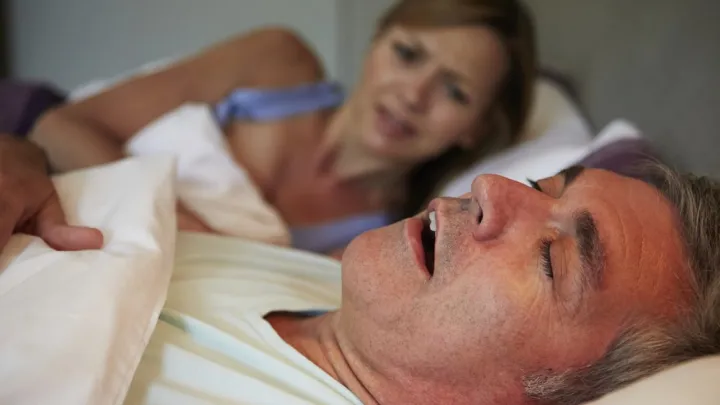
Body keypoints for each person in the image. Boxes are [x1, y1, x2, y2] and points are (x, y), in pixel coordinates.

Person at [2, 132, 720, 404]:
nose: (492, 189)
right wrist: (21, 158)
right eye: (541, 186)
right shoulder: (341, 289)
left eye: (552, 257)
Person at [27, 0, 537, 255]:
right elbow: (58, 126)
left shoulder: (380, 240)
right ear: (375, 43)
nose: (413, 94)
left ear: (474, 130)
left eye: (455, 92)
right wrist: (186, 224)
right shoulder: (277, 62)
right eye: (406, 54)